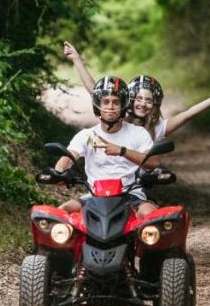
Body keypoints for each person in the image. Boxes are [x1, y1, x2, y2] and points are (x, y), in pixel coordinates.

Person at [62, 40, 210, 139]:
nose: (143, 104)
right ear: (129, 100)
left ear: (155, 104)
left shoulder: (159, 128)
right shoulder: (118, 120)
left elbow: (188, 114)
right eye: (138, 99)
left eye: (148, 100)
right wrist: (77, 60)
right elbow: (96, 92)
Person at [52, 76, 158, 216]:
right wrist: (59, 173)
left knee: (152, 214)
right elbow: (68, 157)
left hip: (131, 195)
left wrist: (122, 151)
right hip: (94, 196)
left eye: (115, 102)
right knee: (61, 212)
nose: (110, 107)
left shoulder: (137, 133)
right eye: (105, 102)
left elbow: (153, 162)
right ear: (98, 106)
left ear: (123, 106)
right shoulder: (87, 135)